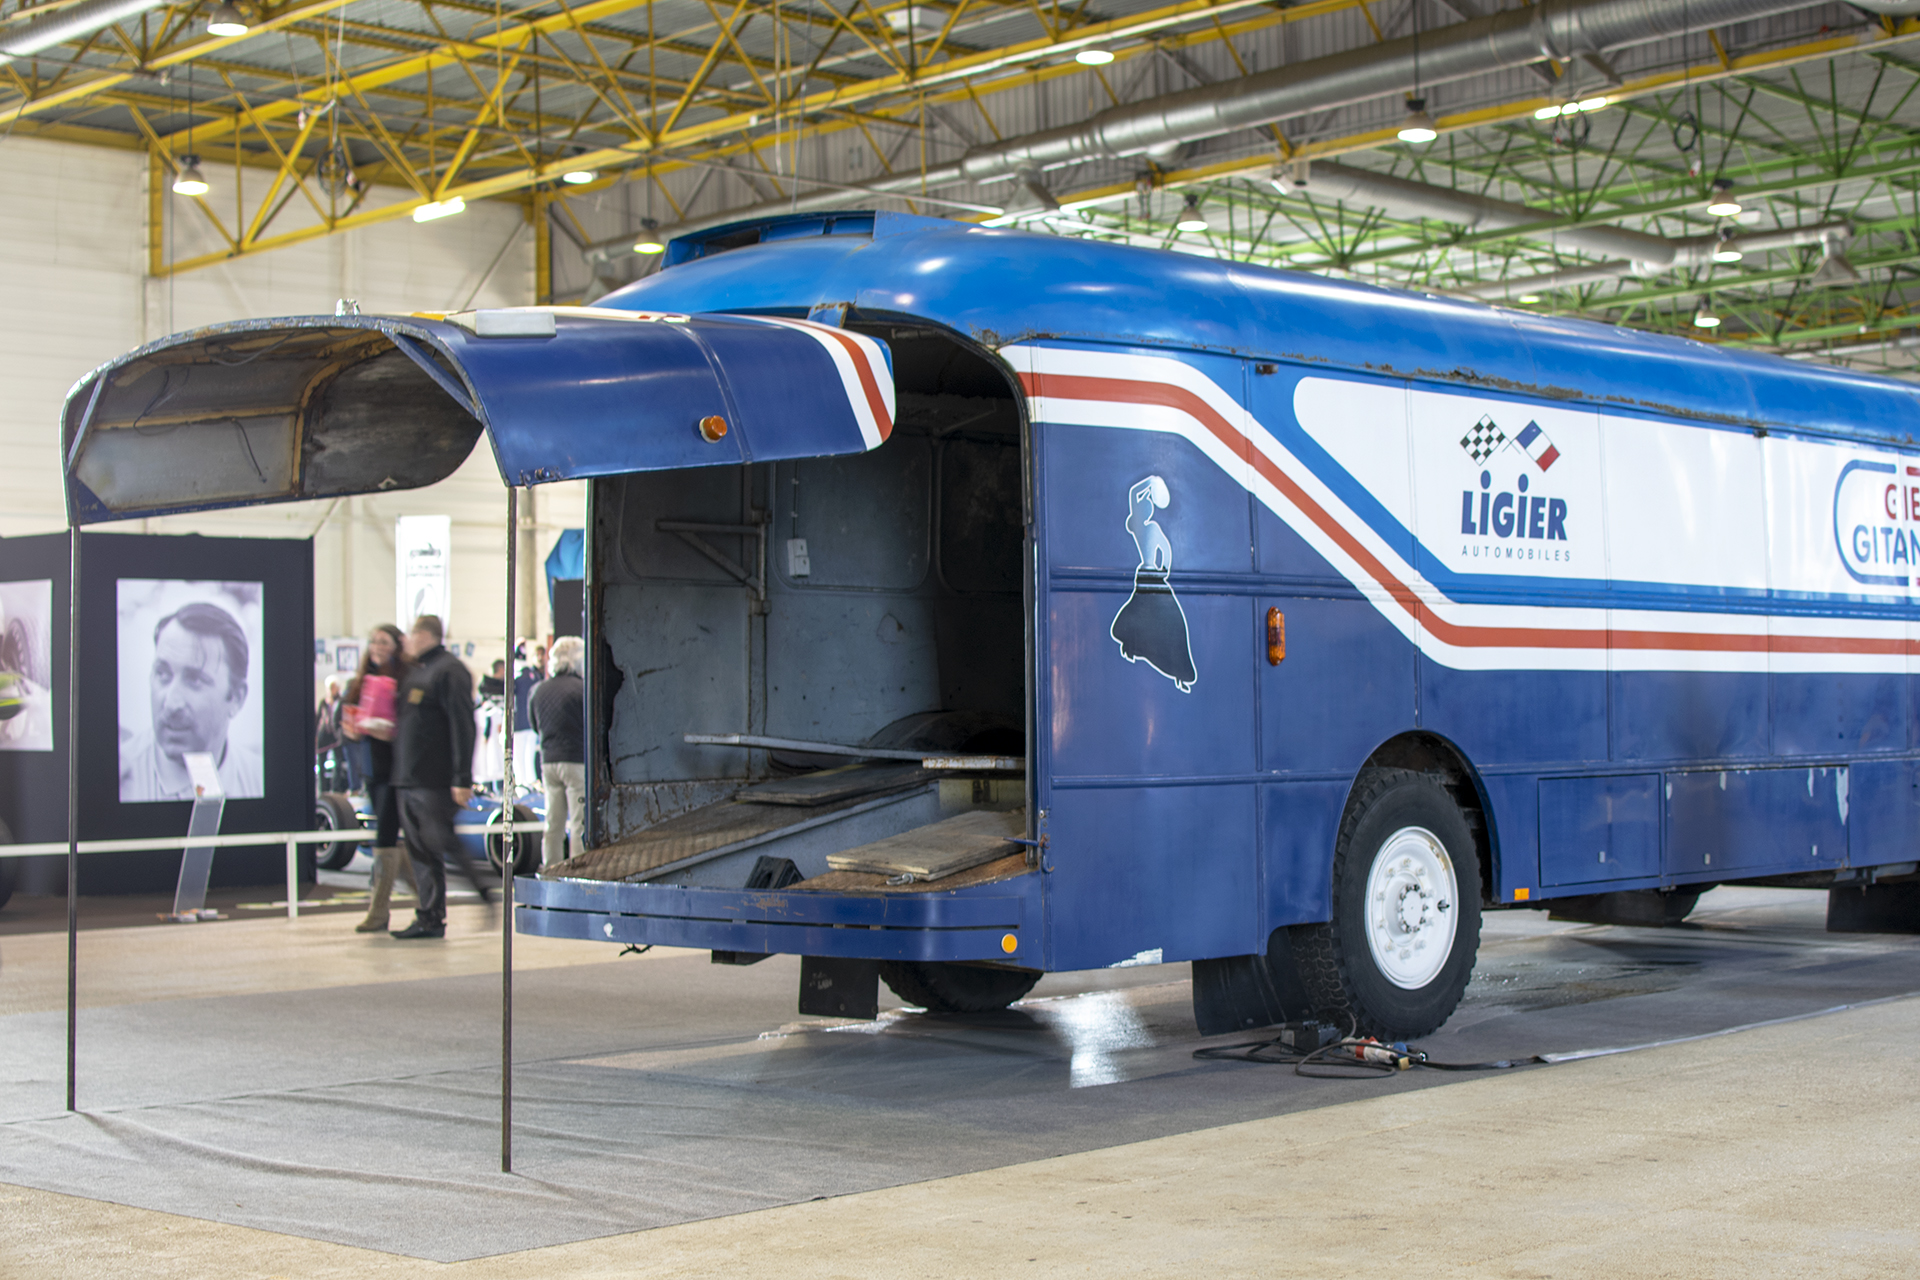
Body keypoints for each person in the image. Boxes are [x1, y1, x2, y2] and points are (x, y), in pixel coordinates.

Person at [391, 614, 490, 939]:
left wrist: (462, 777)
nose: (406, 640)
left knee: (439, 843)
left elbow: (463, 725)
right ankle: (430, 916)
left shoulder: (449, 671)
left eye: (411, 633)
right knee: (421, 850)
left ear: (425, 635)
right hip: (408, 778)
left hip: (433, 780)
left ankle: (479, 894)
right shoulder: (416, 672)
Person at [120, 601, 263, 801]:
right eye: (162, 674)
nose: (170, 704)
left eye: (194, 680)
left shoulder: (259, 779)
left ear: (236, 698)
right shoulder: (122, 780)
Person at [343, 624, 415, 933]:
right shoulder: (360, 682)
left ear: (397, 645)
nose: (377, 646)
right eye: (374, 641)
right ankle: (428, 898)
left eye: (383, 641)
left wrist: (387, 729)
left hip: (396, 771)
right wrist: (355, 724)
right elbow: (346, 722)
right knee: (389, 840)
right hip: (371, 769)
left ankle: (378, 911)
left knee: (385, 837)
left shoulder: (405, 679)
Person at [530, 637, 586, 868]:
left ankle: (551, 868)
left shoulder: (538, 690)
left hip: (548, 761)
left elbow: (535, 725)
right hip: (575, 761)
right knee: (578, 822)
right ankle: (581, 869)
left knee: (553, 822)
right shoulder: (582, 689)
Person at [511, 644, 543, 791]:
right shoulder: (534, 676)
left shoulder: (515, 677)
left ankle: (522, 784)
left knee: (519, 756)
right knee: (529, 755)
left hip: (518, 723)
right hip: (532, 722)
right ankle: (531, 782)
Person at [315, 676, 349, 793]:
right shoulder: (323, 702)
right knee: (321, 762)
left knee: (338, 762)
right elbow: (318, 719)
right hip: (324, 735)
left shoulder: (341, 701)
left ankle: (336, 787)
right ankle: (322, 788)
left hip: (336, 736)